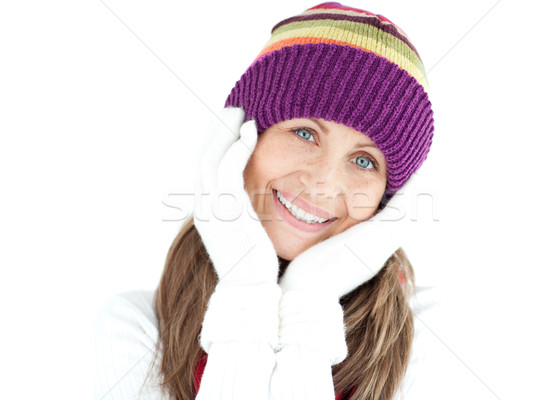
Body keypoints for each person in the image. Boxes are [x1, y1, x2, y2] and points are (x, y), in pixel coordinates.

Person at [93, 2, 436, 399]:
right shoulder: (136, 329)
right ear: (239, 138)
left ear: (386, 200)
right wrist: (247, 285)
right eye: (305, 133)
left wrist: (309, 304)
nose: (323, 184)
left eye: (364, 161)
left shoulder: (424, 331)